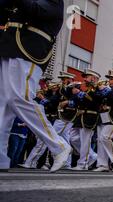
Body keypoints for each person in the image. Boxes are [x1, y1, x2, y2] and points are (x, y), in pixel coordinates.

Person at [0, 0, 71, 172]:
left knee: (19, 98)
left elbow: (38, 10)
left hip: (29, 47)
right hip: (8, 45)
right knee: (2, 105)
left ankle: (58, 145)